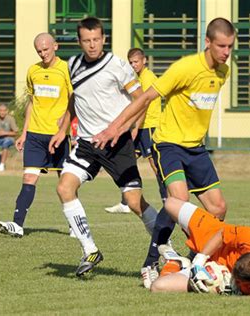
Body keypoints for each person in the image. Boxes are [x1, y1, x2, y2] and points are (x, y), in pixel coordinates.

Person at [92, 17, 236, 287]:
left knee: (218, 208)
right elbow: (145, 98)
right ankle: (150, 264)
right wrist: (114, 129)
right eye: (221, 46)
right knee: (178, 201)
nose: (226, 52)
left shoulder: (223, 72)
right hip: (168, 144)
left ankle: (195, 260)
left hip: (196, 148)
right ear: (207, 42)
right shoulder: (185, 69)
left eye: (230, 46)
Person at [48, 17, 158, 277]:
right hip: (87, 144)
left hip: (117, 143)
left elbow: (141, 99)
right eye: (86, 40)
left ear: (103, 39)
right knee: (64, 187)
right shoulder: (72, 65)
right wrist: (63, 129)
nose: (92, 45)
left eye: (96, 39)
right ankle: (90, 249)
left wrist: (127, 128)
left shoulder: (118, 65)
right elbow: (75, 98)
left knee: (133, 202)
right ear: (79, 41)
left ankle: (166, 246)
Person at [0, 33, 72, 238]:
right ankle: (17, 225)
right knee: (29, 178)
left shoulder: (67, 70)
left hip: (58, 136)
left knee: (65, 183)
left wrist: (66, 126)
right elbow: (32, 102)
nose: (43, 53)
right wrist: (24, 132)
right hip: (36, 135)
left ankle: (75, 224)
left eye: (46, 49)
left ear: (55, 46)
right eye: (39, 50)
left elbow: (75, 102)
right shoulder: (33, 71)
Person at [149, 197, 250, 296]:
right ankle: (193, 260)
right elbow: (222, 234)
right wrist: (200, 260)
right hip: (214, 240)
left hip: (215, 272)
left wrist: (220, 288)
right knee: (171, 203)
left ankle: (177, 264)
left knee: (158, 287)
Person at [105, 48, 166, 214]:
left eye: (136, 62)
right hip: (139, 125)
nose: (133, 65)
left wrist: (135, 127)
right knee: (127, 161)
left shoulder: (148, 78)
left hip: (149, 126)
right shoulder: (136, 78)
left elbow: (144, 104)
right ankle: (126, 203)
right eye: (130, 62)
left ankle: (167, 200)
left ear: (144, 61)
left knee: (155, 166)